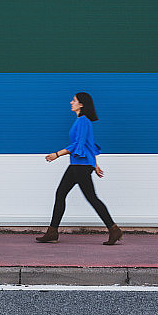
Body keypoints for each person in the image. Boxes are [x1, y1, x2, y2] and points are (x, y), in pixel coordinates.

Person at [36, 92, 122, 245]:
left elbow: (78, 144)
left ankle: (114, 229)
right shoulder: (82, 121)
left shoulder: (83, 121)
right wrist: (94, 164)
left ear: (81, 104)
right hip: (78, 164)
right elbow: (90, 144)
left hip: (80, 166)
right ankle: (52, 232)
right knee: (61, 193)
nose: (71, 102)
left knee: (91, 198)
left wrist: (57, 154)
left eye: (74, 100)